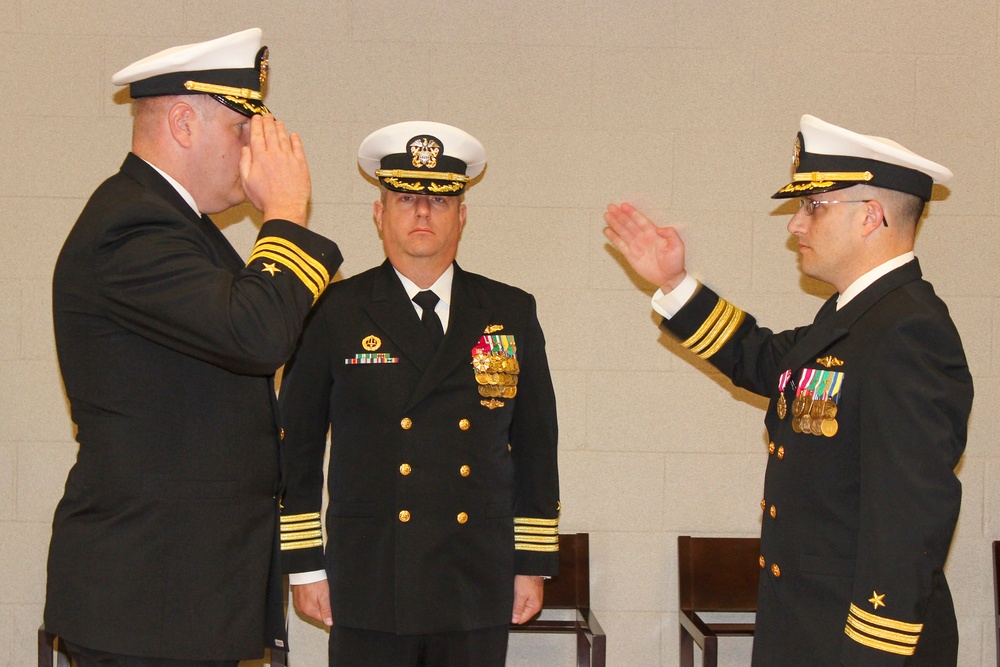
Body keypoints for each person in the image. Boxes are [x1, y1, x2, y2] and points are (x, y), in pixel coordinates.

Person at [603, 114, 973, 666]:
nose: (795, 226)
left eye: (813, 207)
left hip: (858, 642)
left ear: (871, 216)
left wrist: (874, 648)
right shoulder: (858, 317)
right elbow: (765, 358)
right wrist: (675, 285)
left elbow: (912, 508)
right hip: (807, 625)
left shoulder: (908, 329)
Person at [44, 28, 343, 667]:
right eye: (245, 129)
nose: (256, 151)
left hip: (180, 598)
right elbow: (257, 334)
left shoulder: (180, 228)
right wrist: (287, 212)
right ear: (183, 122)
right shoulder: (132, 225)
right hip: (147, 602)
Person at [278, 120, 560, 666]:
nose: (423, 211)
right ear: (380, 215)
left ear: (463, 215)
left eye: (440, 199)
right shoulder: (333, 311)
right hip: (373, 574)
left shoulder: (509, 311)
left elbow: (535, 445)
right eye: (406, 197)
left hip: (474, 573)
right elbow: (299, 447)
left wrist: (531, 561)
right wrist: (306, 566)